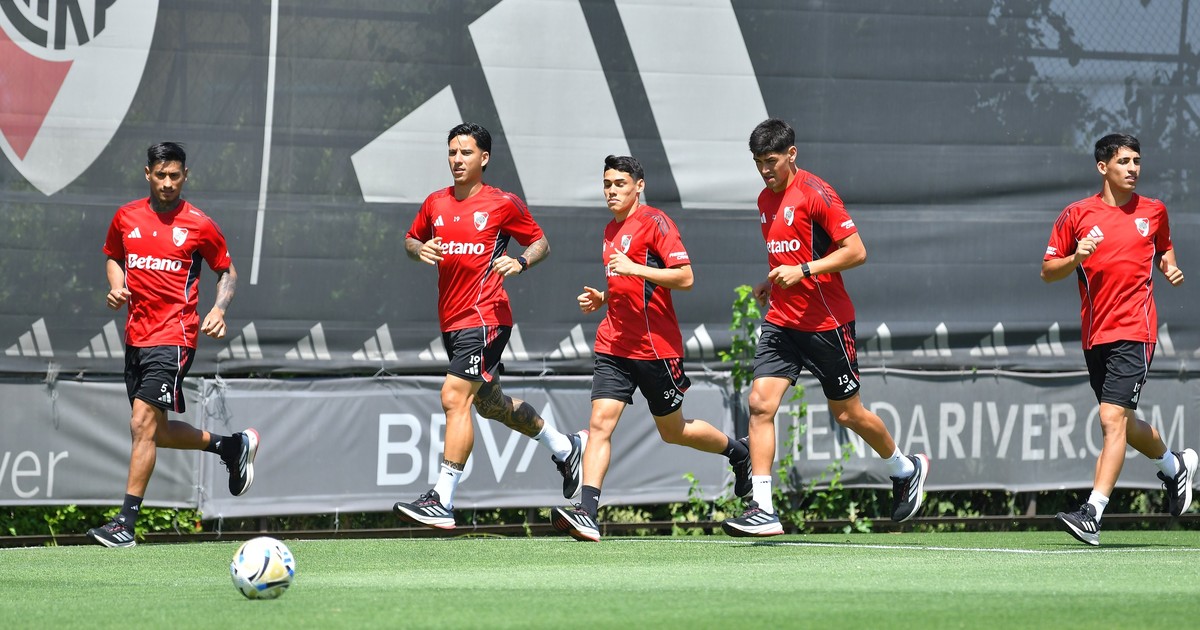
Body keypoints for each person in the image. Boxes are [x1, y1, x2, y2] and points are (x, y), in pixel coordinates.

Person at [721, 119, 930, 537]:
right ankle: (763, 508)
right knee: (760, 404)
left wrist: (803, 270)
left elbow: (857, 251)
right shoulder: (764, 199)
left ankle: (905, 469)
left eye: (771, 160)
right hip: (782, 321)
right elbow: (788, 252)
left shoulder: (816, 193)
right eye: (758, 162)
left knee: (848, 413)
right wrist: (772, 281)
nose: (765, 170)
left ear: (791, 154)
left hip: (826, 323)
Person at [393, 123, 586, 530]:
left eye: (465, 152)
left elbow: (541, 242)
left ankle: (442, 499)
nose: (457, 159)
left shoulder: (502, 203)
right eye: (452, 152)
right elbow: (410, 240)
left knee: (454, 397)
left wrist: (521, 261)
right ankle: (565, 447)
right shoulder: (435, 202)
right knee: (490, 405)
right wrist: (419, 248)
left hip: (486, 318)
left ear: (484, 158)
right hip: (452, 322)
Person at [551, 155, 752, 542]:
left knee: (673, 431)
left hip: (656, 349)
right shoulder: (610, 229)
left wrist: (635, 269)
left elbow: (686, 278)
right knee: (599, 424)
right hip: (614, 344)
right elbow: (628, 282)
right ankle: (587, 512)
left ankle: (738, 453)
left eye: (620, 184)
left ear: (639, 186)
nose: (611, 191)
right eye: (607, 184)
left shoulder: (656, 222)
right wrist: (605, 297)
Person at [87, 142, 258, 548]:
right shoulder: (126, 217)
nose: (167, 182)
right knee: (156, 432)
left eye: (175, 175)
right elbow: (113, 256)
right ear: (148, 174)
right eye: (161, 175)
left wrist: (219, 309)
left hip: (175, 336)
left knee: (141, 425)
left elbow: (227, 271)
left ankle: (125, 524)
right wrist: (117, 285)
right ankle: (232, 446)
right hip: (136, 338)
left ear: (185, 176)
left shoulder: (198, 223)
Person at [1042, 133, 1196, 546]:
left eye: (1136, 161)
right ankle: (1174, 466)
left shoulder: (1154, 211)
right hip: (1096, 336)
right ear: (1102, 167)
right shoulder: (1076, 215)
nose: (1132, 168)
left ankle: (1092, 513)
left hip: (1136, 330)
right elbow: (1048, 271)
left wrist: (1170, 267)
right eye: (1124, 161)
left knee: (1111, 420)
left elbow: (1163, 249)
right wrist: (1077, 257)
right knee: (1123, 423)